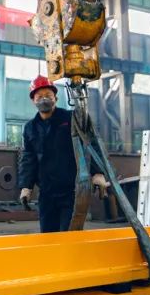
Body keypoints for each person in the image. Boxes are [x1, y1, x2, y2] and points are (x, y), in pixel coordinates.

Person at [17, 76, 109, 233]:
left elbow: (91, 143)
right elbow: (29, 158)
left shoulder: (71, 119)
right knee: (48, 237)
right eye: (39, 96)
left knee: (70, 235)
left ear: (56, 98)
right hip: (46, 193)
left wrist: (98, 172)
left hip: (71, 191)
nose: (44, 99)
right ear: (33, 100)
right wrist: (26, 186)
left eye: (48, 95)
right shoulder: (30, 128)